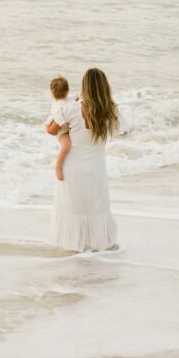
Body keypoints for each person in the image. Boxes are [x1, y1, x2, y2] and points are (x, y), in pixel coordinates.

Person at [46, 67, 127, 252]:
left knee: (74, 210)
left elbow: (51, 130)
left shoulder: (71, 108)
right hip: (96, 169)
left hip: (72, 168)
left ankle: (77, 251)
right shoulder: (110, 112)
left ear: (85, 87)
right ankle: (98, 249)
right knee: (95, 209)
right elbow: (123, 128)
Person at [45, 75, 82, 180]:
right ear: (67, 90)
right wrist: (62, 124)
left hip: (61, 128)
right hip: (60, 129)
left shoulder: (64, 99)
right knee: (66, 146)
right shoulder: (57, 105)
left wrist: (78, 96)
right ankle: (58, 168)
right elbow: (56, 114)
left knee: (69, 146)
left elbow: (73, 98)